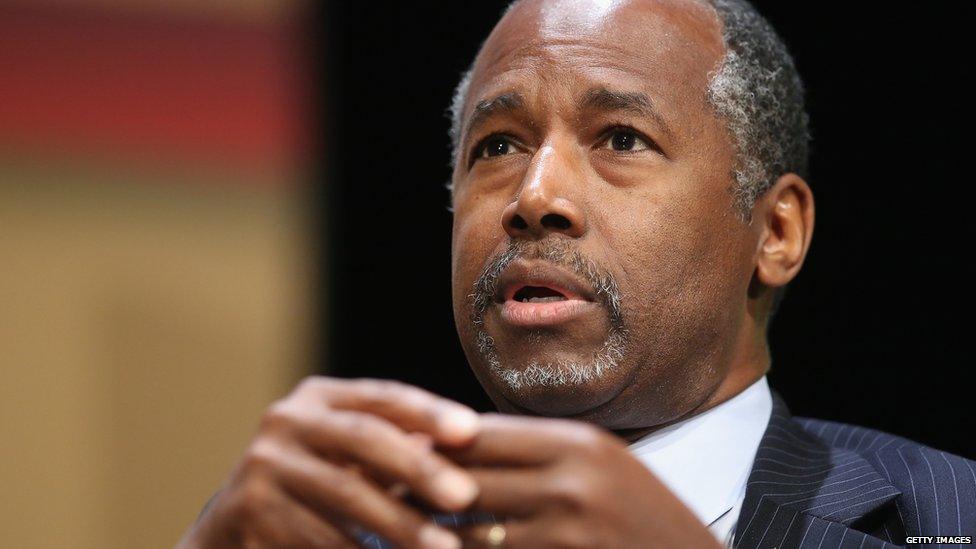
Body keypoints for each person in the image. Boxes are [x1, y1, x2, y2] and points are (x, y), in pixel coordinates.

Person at [178, 0, 976, 547]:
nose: (535, 197)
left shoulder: (952, 514)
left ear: (775, 231)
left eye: (621, 137)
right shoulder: (336, 530)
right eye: (497, 146)